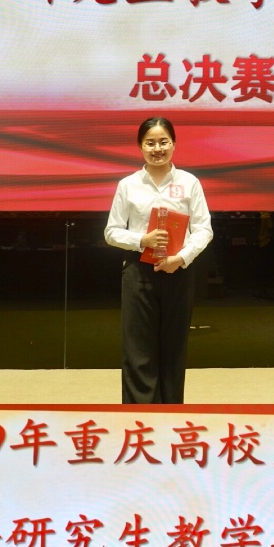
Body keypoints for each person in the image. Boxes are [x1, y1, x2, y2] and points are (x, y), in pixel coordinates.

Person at [104, 116, 212, 404]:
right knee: (138, 349)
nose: (157, 149)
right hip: (138, 272)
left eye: (163, 142)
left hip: (178, 270)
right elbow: (111, 232)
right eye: (150, 143)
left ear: (174, 144)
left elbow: (204, 229)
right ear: (140, 146)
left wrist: (182, 257)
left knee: (174, 347)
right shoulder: (128, 185)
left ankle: (171, 413)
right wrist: (143, 240)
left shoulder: (189, 182)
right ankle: (139, 416)